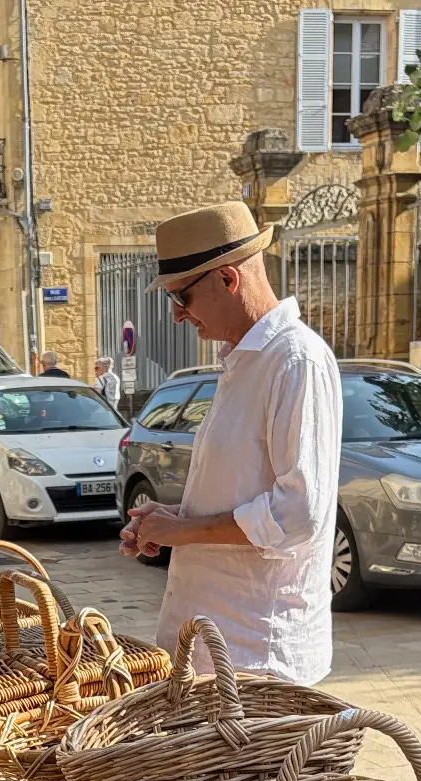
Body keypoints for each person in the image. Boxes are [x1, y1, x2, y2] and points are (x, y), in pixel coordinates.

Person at [121, 201, 341, 686]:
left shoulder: (294, 359)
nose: (178, 316)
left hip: (257, 655)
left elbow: (298, 513)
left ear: (227, 279)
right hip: (218, 647)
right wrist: (173, 520)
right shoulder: (243, 361)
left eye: (182, 297)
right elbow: (243, 490)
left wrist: (183, 532)